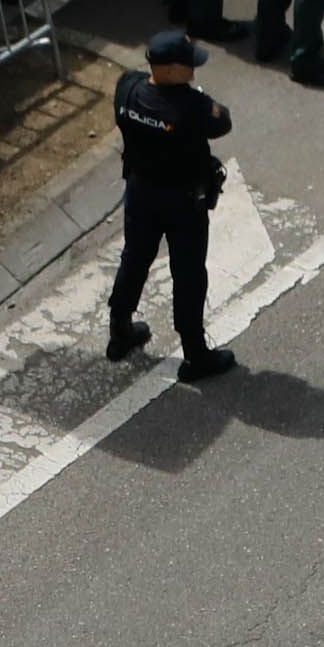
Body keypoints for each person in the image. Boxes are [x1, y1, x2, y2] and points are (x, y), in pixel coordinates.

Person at [106, 30, 235, 384]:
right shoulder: (191, 106)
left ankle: (120, 330)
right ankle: (195, 354)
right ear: (172, 70)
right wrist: (199, 98)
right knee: (189, 273)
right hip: (182, 202)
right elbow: (222, 120)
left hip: (141, 193)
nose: (193, 69)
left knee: (134, 258)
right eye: (188, 64)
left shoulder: (128, 88)